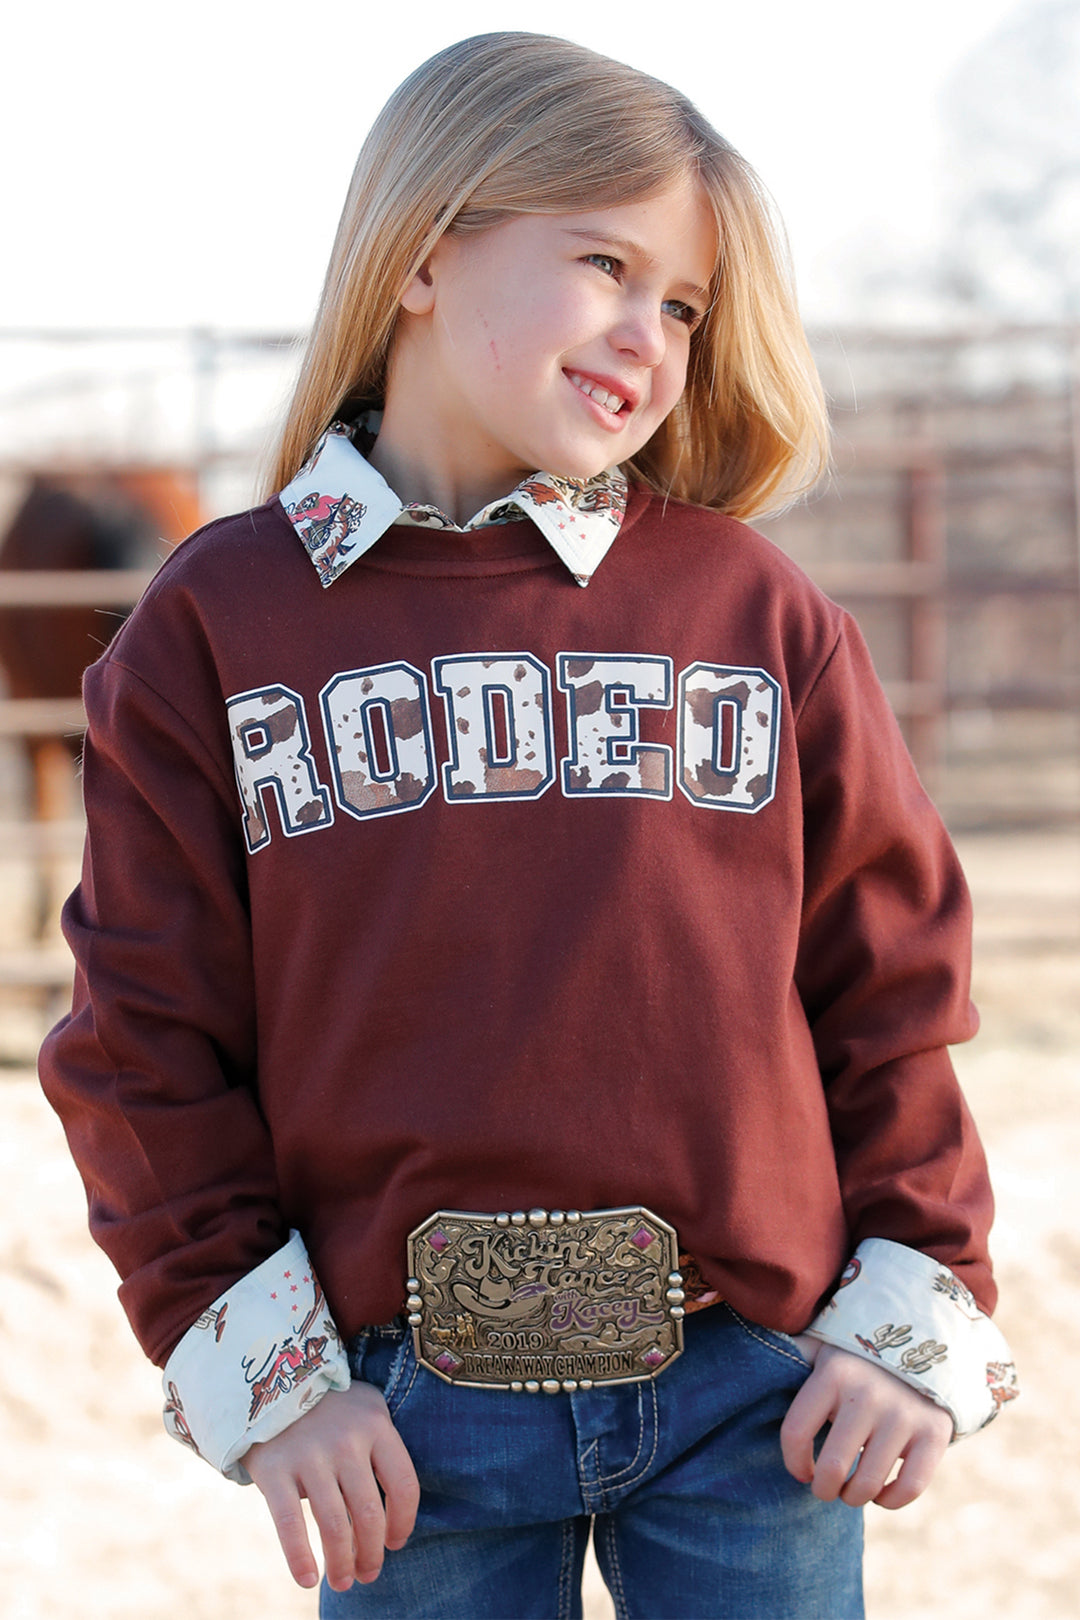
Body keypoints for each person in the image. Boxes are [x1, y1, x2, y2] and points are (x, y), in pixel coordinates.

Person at [40, 31, 1017, 1620]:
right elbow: (142, 1043)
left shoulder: (750, 611)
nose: (651, 331)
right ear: (424, 254)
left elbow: (893, 985)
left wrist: (918, 1303)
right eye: (606, 263)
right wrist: (273, 1378)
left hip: (754, 1396)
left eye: (686, 304)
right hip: (403, 1420)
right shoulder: (214, 625)